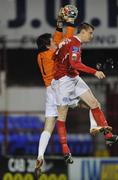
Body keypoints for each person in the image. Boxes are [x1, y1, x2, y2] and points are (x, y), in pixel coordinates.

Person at [52, 22, 118, 153]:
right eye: (90, 33)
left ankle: (109, 137)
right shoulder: (75, 43)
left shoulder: (69, 41)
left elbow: (56, 56)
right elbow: (75, 63)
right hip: (63, 80)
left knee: (94, 103)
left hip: (72, 76)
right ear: (83, 32)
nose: (92, 36)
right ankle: (65, 149)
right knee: (62, 115)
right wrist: (94, 72)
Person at [34, 6, 78, 178]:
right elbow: (67, 39)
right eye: (51, 40)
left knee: (48, 126)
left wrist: (59, 21)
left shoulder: (41, 55)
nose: (54, 41)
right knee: (87, 103)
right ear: (48, 45)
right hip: (60, 87)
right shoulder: (54, 53)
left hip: (49, 91)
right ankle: (94, 124)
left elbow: (59, 37)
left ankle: (40, 155)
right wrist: (70, 23)